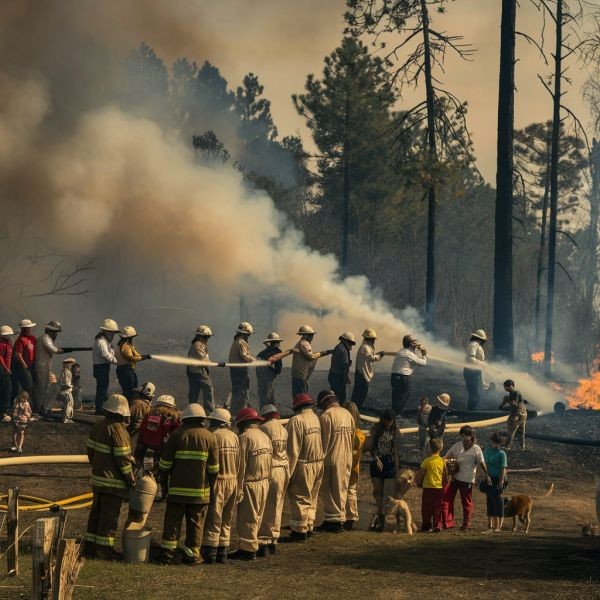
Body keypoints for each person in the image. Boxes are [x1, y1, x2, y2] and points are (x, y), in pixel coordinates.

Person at [158, 403, 219, 565]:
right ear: (202, 419)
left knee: (172, 523)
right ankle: (192, 555)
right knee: (196, 525)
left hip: (177, 492)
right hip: (199, 493)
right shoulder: (209, 437)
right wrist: (211, 492)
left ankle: (168, 555)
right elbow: (214, 469)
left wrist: (163, 486)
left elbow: (164, 465)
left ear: (185, 419)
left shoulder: (176, 435)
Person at [84, 394, 135, 560]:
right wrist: (130, 477)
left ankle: (90, 547)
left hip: (98, 479)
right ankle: (105, 550)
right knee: (109, 517)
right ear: (122, 413)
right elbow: (123, 458)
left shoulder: (97, 426)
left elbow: (91, 453)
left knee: (96, 514)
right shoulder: (119, 430)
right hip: (113, 483)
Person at [229, 407, 272, 561]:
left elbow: (241, 466)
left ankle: (247, 550)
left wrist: (239, 489)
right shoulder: (264, 436)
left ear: (243, 423)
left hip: (250, 483)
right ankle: (257, 544)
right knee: (259, 515)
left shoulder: (244, 438)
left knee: (247, 517)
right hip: (265, 482)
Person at [201, 408, 239, 565]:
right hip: (233, 480)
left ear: (217, 422)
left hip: (219, 481)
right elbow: (240, 462)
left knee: (213, 518)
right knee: (226, 518)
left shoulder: (213, 436)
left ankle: (210, 553)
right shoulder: (235, 437)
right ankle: (223, 552)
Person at [284, 393, 324, 542]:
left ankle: (299, 531)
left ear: (297, 408)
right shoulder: (316, 418)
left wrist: (288, 474)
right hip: (318, 462)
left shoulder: (296, 421)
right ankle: (309, 525)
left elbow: (292, 450)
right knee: (312, 497)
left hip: (303, 463)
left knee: (300, 497)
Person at [316, 389, 354, 533]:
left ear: (326, 401)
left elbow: (323, 442)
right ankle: (339, 518)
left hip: (331, 458)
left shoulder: (326, 416)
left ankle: (332, 521)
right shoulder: (347, 414)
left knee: (330, 490)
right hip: (346, 457)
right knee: (342, 489)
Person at [443, 425, 491, 532]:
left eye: (466, 436)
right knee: (447, 499)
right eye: (462, 436)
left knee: (466, 503)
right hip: (454, 478)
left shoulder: (476, 449)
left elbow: (482, 463)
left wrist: (487, 475)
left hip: (467, 480)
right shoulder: (457, 445)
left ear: (471, 436)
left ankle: (466, 525)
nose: (464, 438)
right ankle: (447, 522)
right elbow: (445, 458)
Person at [257, 404, 289, 555]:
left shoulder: (264, 429)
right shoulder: (283, 429)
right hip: (283, 470)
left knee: (265, 506)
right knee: (277, 506)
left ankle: (263, 541)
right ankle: (273, 539)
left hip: (271, 470)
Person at [369, 409, 402, 531]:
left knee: (387, 495)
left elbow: (397, 452)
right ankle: (379, 520)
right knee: (378, 494)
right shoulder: (376, 428)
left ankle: (385, 523)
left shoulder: (395, 431)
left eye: (390, 421)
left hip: (389, 465)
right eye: (386, 421)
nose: (388, 424)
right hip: (376, 465)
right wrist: (376, 458)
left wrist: (397, 471)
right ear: (383, 420)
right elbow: (371, 447)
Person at [135, 394, 181, 480]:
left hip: (148, 451)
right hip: (165, 453)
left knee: (147, 477)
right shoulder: (174, 418)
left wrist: (138, 451)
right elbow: (177, 435)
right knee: (162, 477)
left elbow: (142, 432)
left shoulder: (149, 414)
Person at [35, 321, 68, 416]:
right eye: (55, 332)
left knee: (45, 389)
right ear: (50, 331)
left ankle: (43, 408)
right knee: (42, 390)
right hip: (41, 368)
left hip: (44, 368)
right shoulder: (45, 338)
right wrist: (63, 350)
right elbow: (53, 349)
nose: (56, 335)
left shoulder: (45, 338)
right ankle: (40, 409)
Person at [342, 401, 366, 530]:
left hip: (346, 465)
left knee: (345, 491)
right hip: (355, 466)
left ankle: (348, 516)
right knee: (351, 491)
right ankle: (350, 516)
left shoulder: (352, 434)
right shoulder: (360, 433)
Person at [415, 437, 447, 532]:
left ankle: (426, 526)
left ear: (429, 448)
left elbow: (420, 473)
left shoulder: (427, 461)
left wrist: (416, 481)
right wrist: (445, 483)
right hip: (438, 488)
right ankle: (437, 525)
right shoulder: (442, 461)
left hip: (428, 488)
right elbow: (445, 475)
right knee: (437, 508)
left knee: (426, 508)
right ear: (441, 448)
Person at [291, 325, 332, 398]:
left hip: (297, 375)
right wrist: (322, 353)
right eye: (311, 335)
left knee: (297, 396)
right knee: (302, 396)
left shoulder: (300, 343)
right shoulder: (305, 344)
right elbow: (311, 357)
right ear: (307, 336)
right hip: (301, 376)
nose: (312, 337)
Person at [390, 334, 427, 416]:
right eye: (414, 346)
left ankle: (393, 413)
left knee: (396, 396)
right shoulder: (409, 354)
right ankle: (396, 415)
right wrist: (424, 354)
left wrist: (417, 348)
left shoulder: (401, 350)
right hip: (403, 377)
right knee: (403, 396)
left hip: (394, 376)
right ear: (411, 345)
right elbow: (423, 363)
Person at [256, 332, 292, 407]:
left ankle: (263, 412)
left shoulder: (261, 353)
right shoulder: (277, 351)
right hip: (269, 377)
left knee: (262, 395)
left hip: (260, 377)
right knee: (269, 396)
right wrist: (274, 372)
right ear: (277, 342)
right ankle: (270, 414)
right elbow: (278, 369)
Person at [351, 329, 384, 410]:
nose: (373, 341)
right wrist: (380, 355)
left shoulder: (365, 347)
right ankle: (357, 408)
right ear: (369, 339)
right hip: (362, 374)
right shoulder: (365, 347)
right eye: (373, 339)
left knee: (359, 392)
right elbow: (372, 358)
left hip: (361, 373)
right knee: (361, 393)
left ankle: (356, 407)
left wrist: (377, 354)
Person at [116, 326, 151, 401]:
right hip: (126, 370)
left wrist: (144, 356)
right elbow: (131, 357)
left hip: (126, 370)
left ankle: (128, 405)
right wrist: (143, 357)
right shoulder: (125, 346)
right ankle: (129, 407)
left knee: (131, 389)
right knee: (130, 391)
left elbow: (135, 355)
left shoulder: (123, 344)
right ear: (129, 337)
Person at [92, 319, 120, 415]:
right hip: (100, 368)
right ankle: (99, 409)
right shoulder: (101, 342)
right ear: (105, 332)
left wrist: (118, 357)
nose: (113, 335)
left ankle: (102, 406)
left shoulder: (106, 341)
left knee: (103, 387)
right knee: (102, 389)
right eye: (111, 333)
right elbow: (106, 356)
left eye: (113, 333)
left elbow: (111, 353)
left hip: (103, 367)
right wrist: (120, 362)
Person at [187, 325, 215, 412]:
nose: (207, 339)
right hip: (198, 371)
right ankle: (209, 410)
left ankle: (191, 410)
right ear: (201, 336)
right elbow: (203, 359)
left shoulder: (199, 344)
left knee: (194, 390)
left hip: (193, 370)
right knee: (208, 388)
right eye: (207, 337)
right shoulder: (198, 345)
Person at [228, 322, 255, 415]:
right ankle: (242, 413)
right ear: (245, 333)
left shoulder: (237, 341)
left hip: (235, 370)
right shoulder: (241, 342)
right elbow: (244, 355)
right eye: (248, 334)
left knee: (237, 392)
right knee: (243, 393)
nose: (249, 336)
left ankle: (235, 413)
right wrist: (254, 360)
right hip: (240, 371)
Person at [482, 432, 507, 532]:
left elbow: (503, 468)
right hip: (489, 478)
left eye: (499, 444)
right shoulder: (487, 451)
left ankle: (499, 526)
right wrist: (486, 476)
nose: (497, 446)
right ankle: (490, 524)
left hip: (498, 478)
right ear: (492, 442)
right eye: (496, 443)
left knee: (498, 501)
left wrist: (501, 481)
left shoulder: (502, 453)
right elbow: (484, 464)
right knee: (489, 500)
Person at [11, 319, 37, 407]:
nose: (30, 329)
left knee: (31, 385)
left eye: (30, 328)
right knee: (28, 385)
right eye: (28, 328)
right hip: (23, 366)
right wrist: (24, 365)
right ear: (23, 329)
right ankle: (23, 405)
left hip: (31, 365)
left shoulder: (33, 338)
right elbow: (18, 354)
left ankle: (27, 406)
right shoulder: (21, 340)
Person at [327, 332, 355, 404]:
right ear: (348, 341)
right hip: (338, 378)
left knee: (334, 395)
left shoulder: (338, 347)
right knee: (341, 397)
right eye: (351, 343)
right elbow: (345, 365)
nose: (351, 345)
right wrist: (346, 378)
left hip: (333, 376)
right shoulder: (344, 350)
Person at [499, 379, 527, 450]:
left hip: (519, 413)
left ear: (511, 386)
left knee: (512, 429)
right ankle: (522, 446)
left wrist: (516, 416)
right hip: (523, 413)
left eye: (506, 387)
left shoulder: (515, 392)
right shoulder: (511, 392)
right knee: (521, 430)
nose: (505, 389)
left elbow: (515, 404)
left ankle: (507, 445)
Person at [463, 329, 487, 411]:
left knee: (479, 392)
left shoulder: (478, 346)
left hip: (476, 372)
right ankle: (471, 410)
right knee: (474, 393)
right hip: (471, 372)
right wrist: (482, 364)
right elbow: (470, 359)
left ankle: (475, 409)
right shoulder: (473, 345)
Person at [0, 326, 15, 422]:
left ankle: (3, 411)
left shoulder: (8, 342)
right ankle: (2, 413)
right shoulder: (1, 344)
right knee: (6, 391)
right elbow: (0, 357)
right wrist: (6, 368)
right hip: (3, 371)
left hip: (6, 371)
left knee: (6, 390)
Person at [57, 357, 77, 423]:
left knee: (69, 404)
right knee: (68, 404)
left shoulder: (63, 371)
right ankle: (65, 418)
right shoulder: (67, 372)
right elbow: (66, 383)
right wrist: (70, 386)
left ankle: (66, 418)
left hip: (65, 390)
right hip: (66, 391)